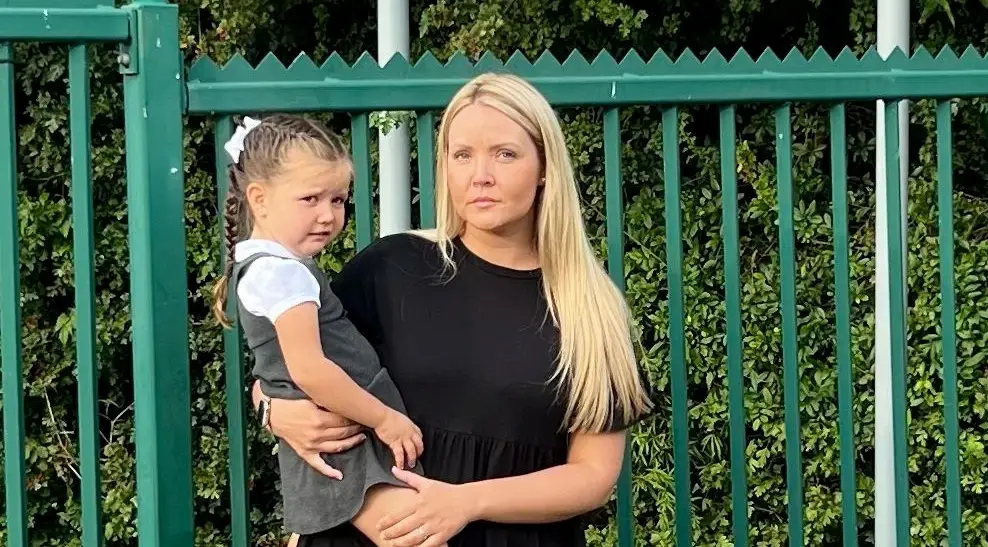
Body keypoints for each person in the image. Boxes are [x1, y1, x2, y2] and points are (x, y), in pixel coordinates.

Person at [254, 73, 654, 547]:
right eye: (462, 154)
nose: (480, 174)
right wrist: (274, 413)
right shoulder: (390, 269)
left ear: (544, 166)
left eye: (505, 154)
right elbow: (286, 372)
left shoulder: (592, 310)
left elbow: (593, 475)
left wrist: (466, 502)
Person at [211, 114, 441, 546]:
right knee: (421, 539)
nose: (327, 215)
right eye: (310, 198)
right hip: (347, 443)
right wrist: (386, 419)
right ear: (259, 199)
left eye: (337, 200)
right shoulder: (283, 274)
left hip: (344, 437)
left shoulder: (272, 268)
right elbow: (310, 371)